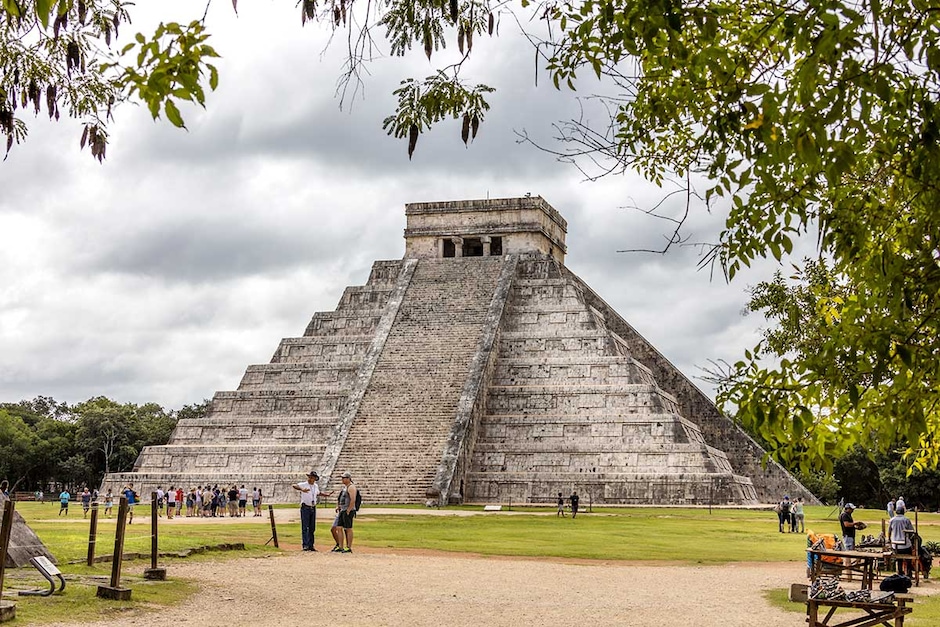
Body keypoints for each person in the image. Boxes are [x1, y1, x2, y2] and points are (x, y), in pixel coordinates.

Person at [292, 471, 330, 551]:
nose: (311, 479)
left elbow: (318, 493)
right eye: (310, 477)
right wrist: (302, 489)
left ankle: (311, 545)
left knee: (312, 527)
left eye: (313, 477)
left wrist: (325, 495)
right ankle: (305, 544)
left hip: (313, 507)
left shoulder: (315, 486)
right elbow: (294, 485)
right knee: (305, 527)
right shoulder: (304, 484)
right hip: (305, 507)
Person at [331, 472, 358, 553]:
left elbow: (353, 499)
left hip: (347, 510)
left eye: (344, 478)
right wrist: (339, 506)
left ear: (348, 478)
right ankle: (340, 546)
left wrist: (349, 509)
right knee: (339, 527)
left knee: (348, 528)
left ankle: (348, 547)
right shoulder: (345, 488)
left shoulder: (351, 487)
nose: (342, 479)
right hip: (342, 510)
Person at [889, 505, 916, 576]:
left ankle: (900, 572)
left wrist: (890, 540)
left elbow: (889, 532)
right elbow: (911, 531)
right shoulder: (906, 520)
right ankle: (909, 573)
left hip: (895, 545)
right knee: (909, 558)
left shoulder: (892, 520)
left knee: (899, 559)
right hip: (905, 545)